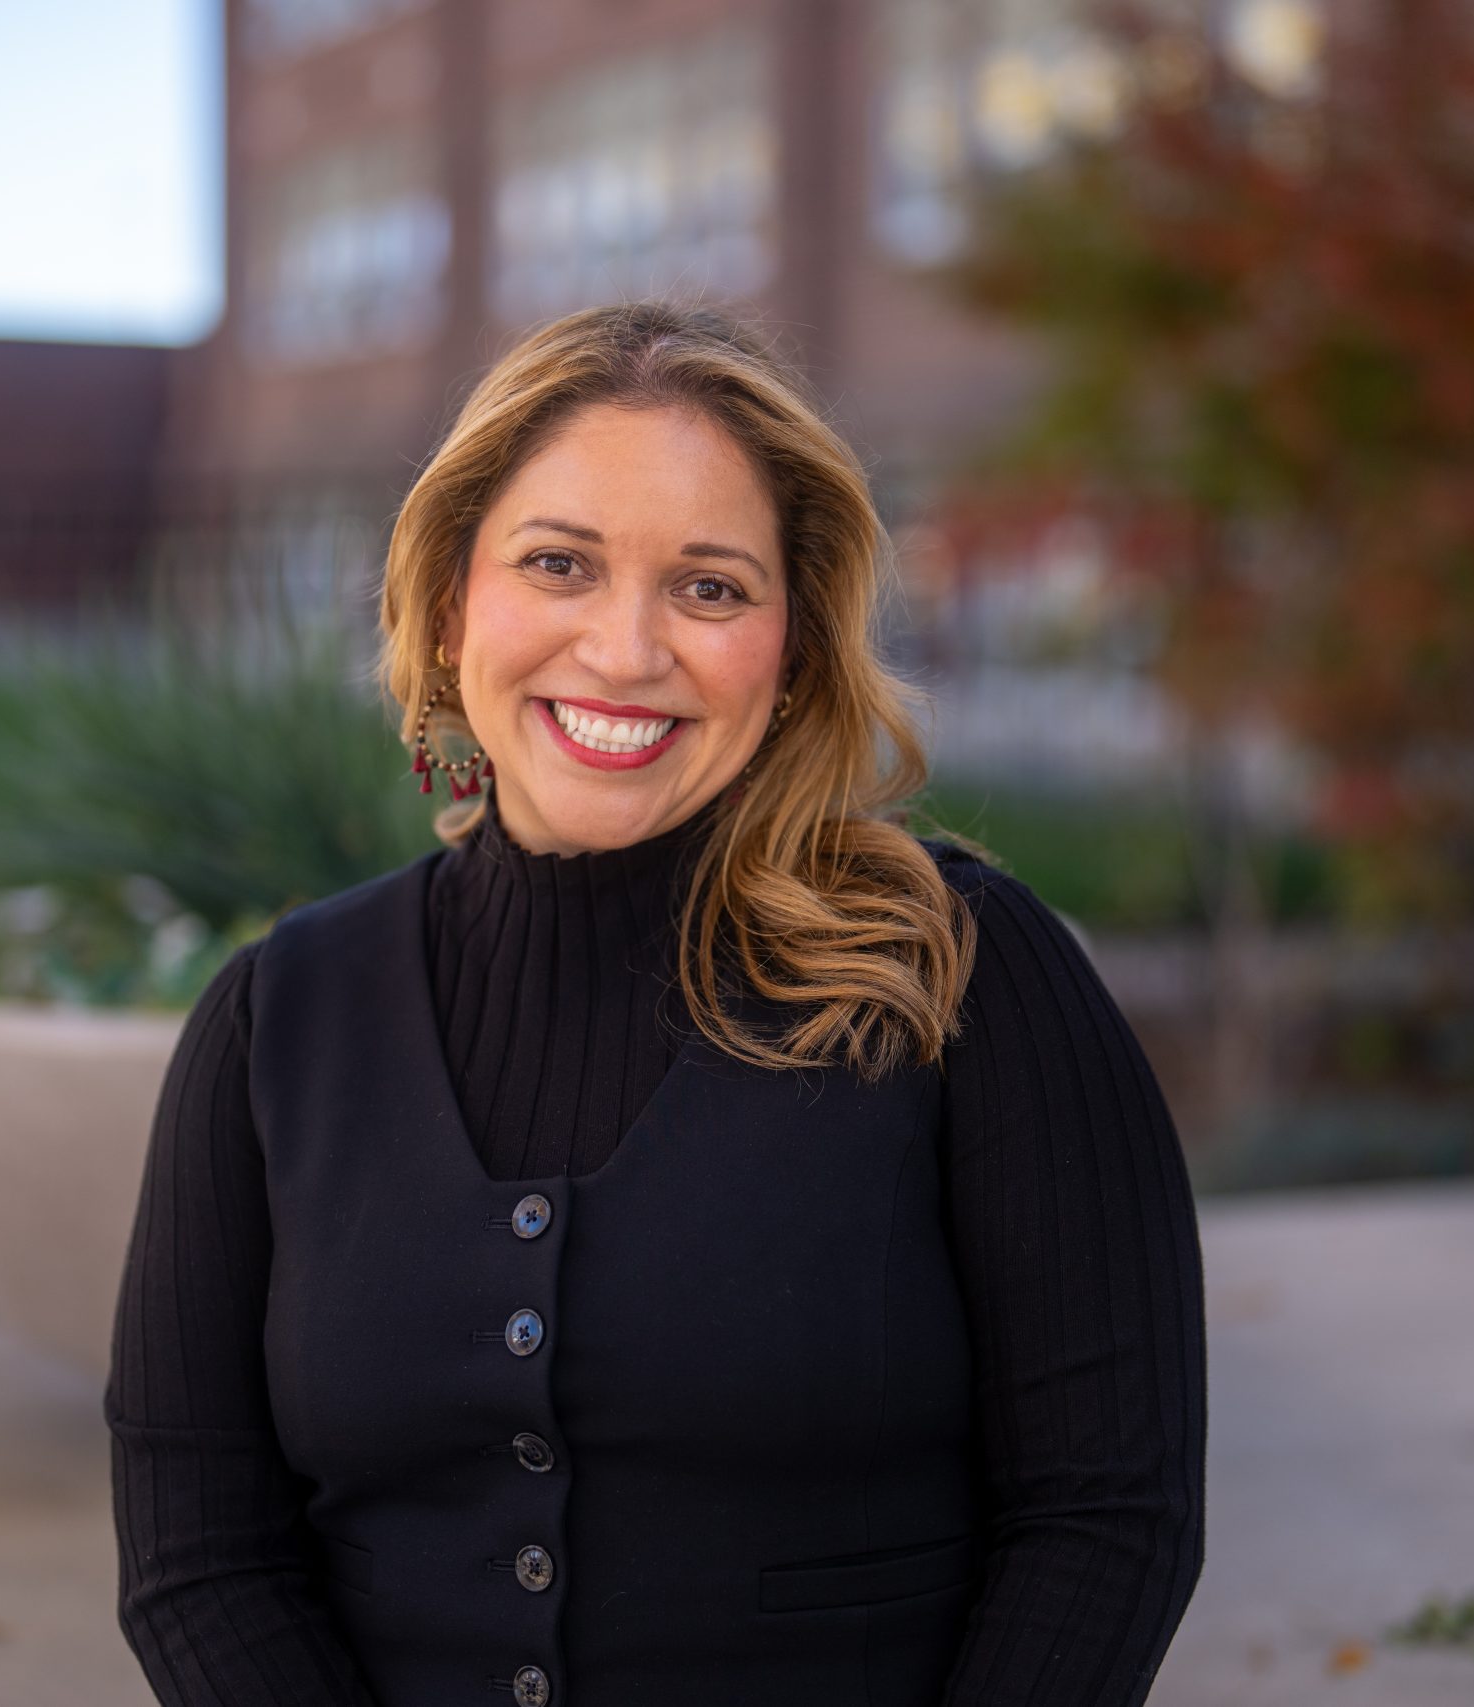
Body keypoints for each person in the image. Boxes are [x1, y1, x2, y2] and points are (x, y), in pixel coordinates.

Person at [105, 300, 1206, 1707]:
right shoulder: (278, 1022)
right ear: (450, 606)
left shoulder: (963, 976)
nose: (625, 653)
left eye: (710, 588)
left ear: (795, 647)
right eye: (559, 564)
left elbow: (1106, 1520)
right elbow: (201, 1558)